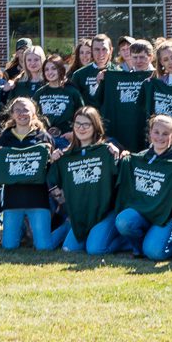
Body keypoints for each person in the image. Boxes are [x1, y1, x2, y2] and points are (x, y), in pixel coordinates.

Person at [113, 115, 172, 261]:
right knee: (123, 220)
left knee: (155, 253)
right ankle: (139, 247)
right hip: (145, 213)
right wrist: (126, 159)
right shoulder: (141, 157)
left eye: (165, 134)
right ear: (150, 133)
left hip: (169, 217)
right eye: (156, 132)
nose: (160, 137)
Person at [50, 106, 123, 255]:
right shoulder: (65, 155)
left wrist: (118, 156)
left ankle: (126, 240)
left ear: (95, 126)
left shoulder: (107, 150)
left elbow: (122, 176)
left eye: (86, 124)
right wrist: (53, 161)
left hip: (104, 212)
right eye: (77, 124)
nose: (81, 128)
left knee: (95, 249)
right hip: (80, 214)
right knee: (69, 249)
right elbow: (52, 181)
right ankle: (70, 225)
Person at [0, 96, 60, 252]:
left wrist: (53, 159)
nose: (22, 113)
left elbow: (51, 170)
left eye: (26, 110)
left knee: (43, 247)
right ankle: (20, 231)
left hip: (38, 198)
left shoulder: (44, 137)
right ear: (12, 114)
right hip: (13, 199)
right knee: (9, 246)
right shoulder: (6, 137)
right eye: (17, 110)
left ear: (34, 113)